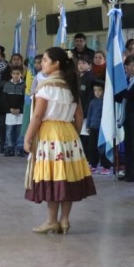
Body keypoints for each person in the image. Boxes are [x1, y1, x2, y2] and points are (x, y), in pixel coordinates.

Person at [24, 47, 96, 235]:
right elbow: (79, 115)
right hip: (69, 133)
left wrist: (28, 137)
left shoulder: (46, 86)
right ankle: (64, 220)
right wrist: (73, 135)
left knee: (53, 176)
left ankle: (51, 221)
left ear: (56, 64)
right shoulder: (70, 86)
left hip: (50, 134)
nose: (42, 63)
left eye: (45, 60)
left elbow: (37, 116)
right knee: (67, 177)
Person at [116, 55, 134, 182]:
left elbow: (130, 95)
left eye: (133, 65)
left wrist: (119, 89)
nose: (130, 68)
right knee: (128, 145)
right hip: (128, 118)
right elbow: (121, 98)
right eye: (128, 65)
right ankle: (128, 171)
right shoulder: (129, 80)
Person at [85, 81, 111, 174]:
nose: (97, 92)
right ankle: (93, 165)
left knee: (103, 147)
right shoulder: (92, 102)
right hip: (93, 127)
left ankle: (106, 166)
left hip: (103, 128)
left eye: (99, 90)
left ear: (104, 91)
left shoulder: (106, 102)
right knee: (92, 147)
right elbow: (89, 114)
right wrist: (88, 126)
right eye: (95, 90)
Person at [2, 66, 26, 157]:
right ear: (11, 74)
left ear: (21, 75)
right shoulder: (7, 85)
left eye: (18, 74)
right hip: (10, 113)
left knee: (20, 132)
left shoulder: (24, 85)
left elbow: (24, 99)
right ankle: (9, 148)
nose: (16, 75)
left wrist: (19, 109)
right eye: (14, 73)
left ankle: (20, 148)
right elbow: (5, 99)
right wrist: (10, 109)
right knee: (9, 132)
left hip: (20, 112)